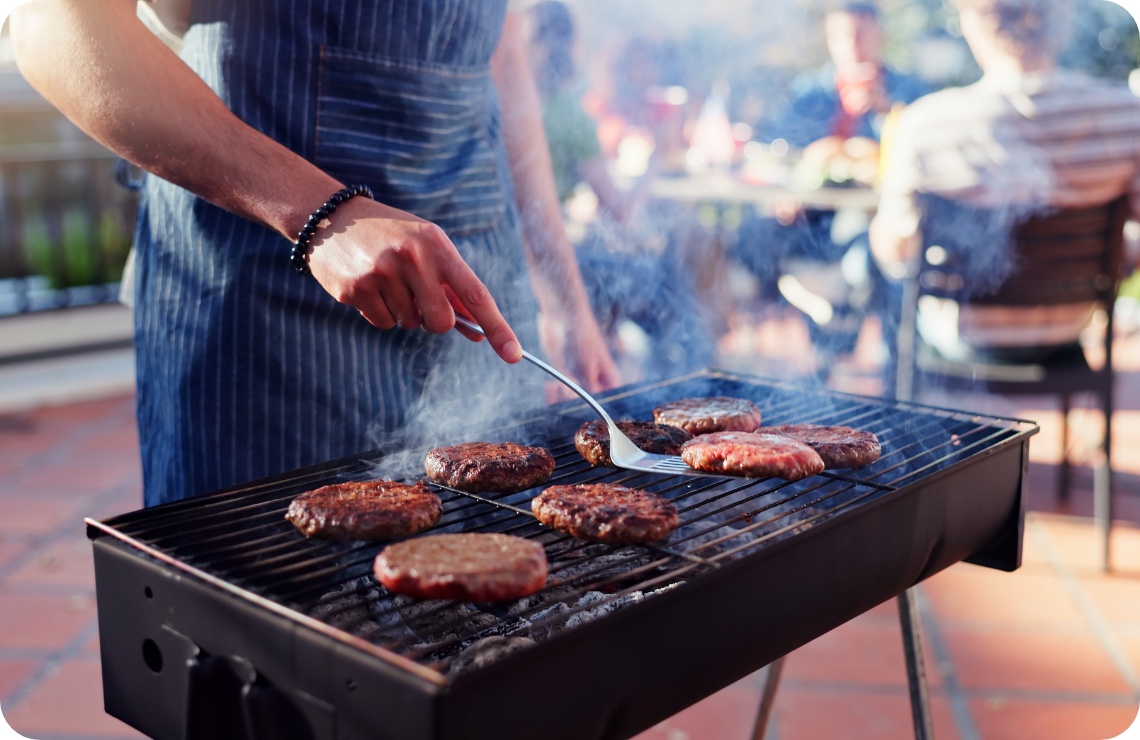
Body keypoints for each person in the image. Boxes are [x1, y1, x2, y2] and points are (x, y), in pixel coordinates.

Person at [9, 0, 620, 505]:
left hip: (475, 289)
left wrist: (567, 299)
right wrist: (321, 214)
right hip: (264, 294)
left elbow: (504, 56)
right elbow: (52, 23)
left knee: (500, 570)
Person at [870, 0, 1140, 363]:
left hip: (963, 336)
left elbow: (896, 251)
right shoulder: (1127, 114)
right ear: (1063, 24)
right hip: (1069, 327)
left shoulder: (924, 123)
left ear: (974, 28)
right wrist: (1117, 254)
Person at [739, 1, 927, 366]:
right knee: (751, 239)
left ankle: (889, 368)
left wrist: (886, 111)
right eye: (840, 35)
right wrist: (787, 189)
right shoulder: (810, 92)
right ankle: (807, 354)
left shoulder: (906, 90)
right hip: (811, 216)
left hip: (875, 216)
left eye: (860, 33)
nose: (851, 44)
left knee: (872, 260)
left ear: (879, 35)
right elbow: (777, 153)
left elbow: (922, 152)